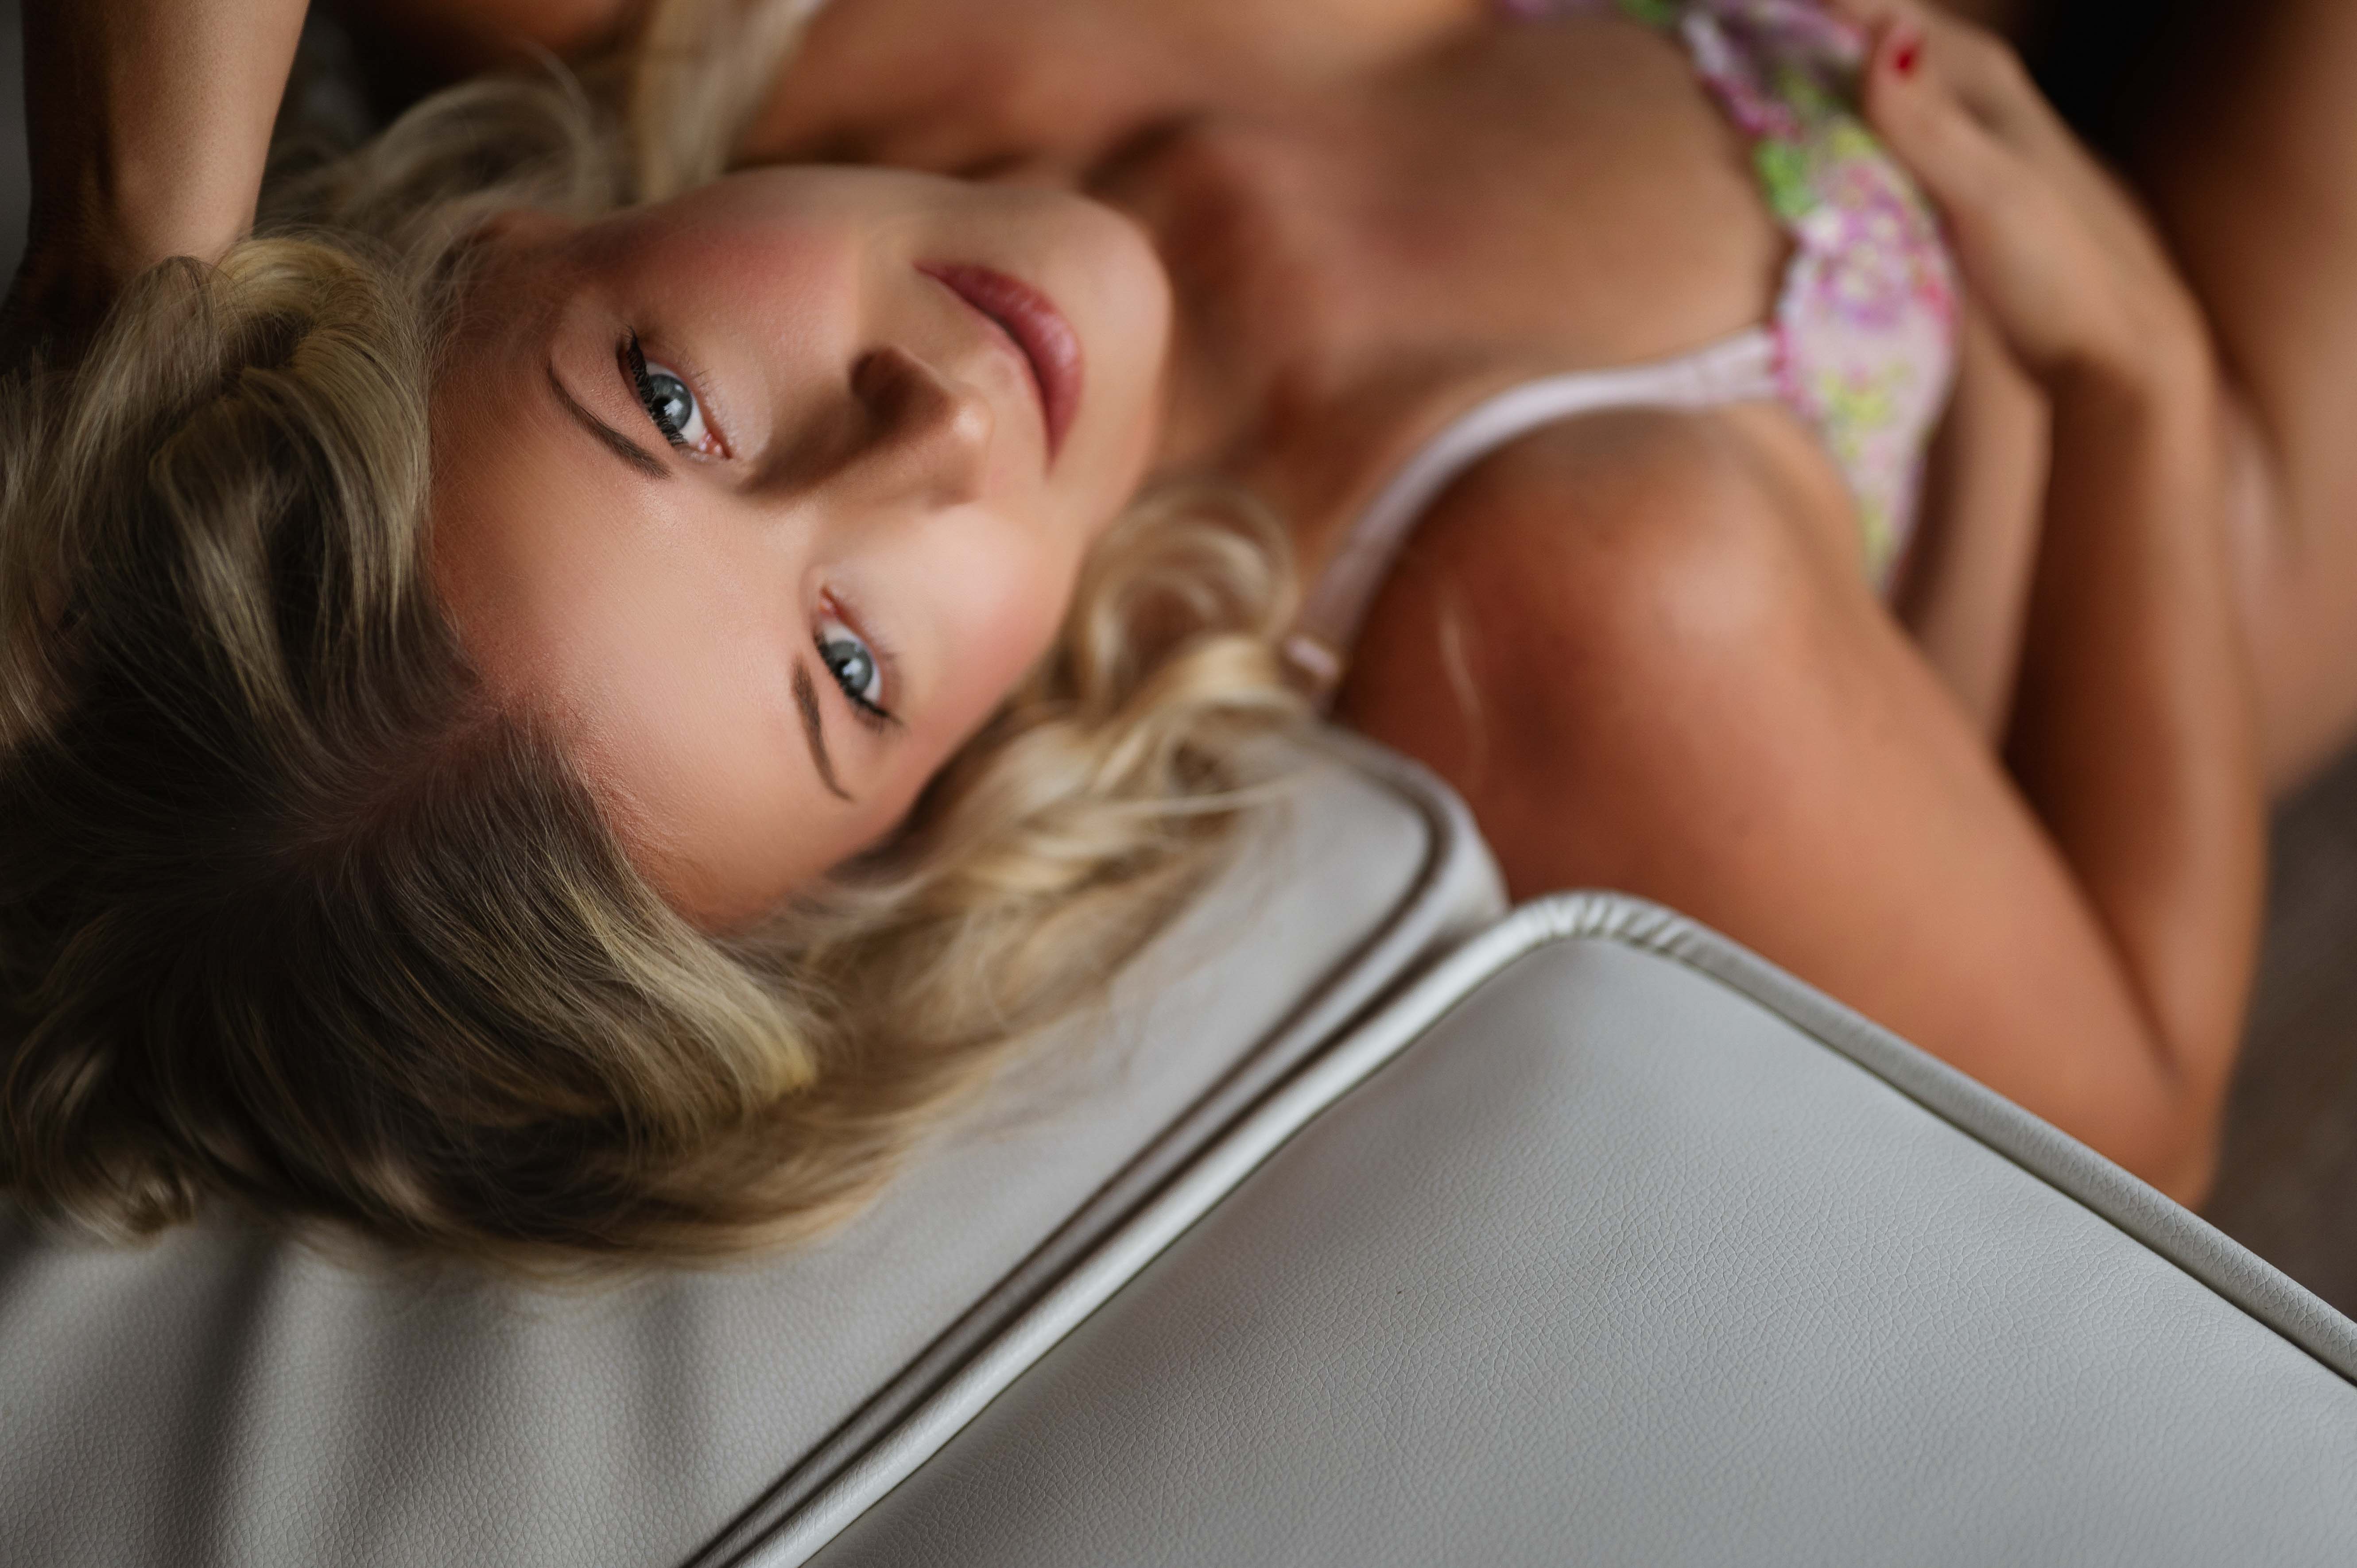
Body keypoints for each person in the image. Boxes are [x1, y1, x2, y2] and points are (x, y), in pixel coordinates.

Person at [0, 0, 2290, 1262]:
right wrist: (2140, 389)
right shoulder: (1571, 591)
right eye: (854, 669)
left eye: (676, 403)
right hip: (2112, 448)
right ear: (908, 823)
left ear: (491, 247)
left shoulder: (683, 37)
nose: (923, 433)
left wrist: (139, 293)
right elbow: (2144, 1111)